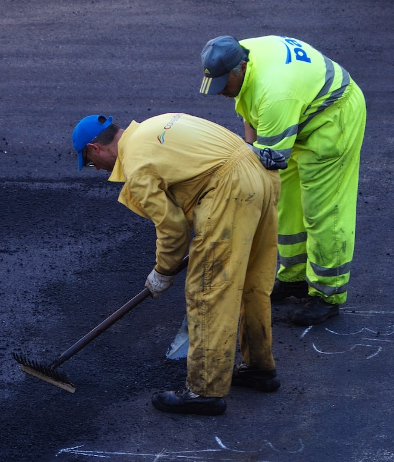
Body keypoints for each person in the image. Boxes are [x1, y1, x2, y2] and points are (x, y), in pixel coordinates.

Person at [72, 113, 282, 415]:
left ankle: (205, 390)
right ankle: (260, 368)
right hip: (259, 177)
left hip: (229, 190)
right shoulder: (154, 126)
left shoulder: (136, 163)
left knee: (208, 290)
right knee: (252, 283)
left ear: (95, 148)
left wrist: (162, 271)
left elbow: (172, 228)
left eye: (92, 163)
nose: (99, 170)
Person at [199, 35, 367, 325]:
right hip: (297, 114)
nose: (219, 92)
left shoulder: (274, 92)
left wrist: (242, 200)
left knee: (323, 210)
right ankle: (294, 279)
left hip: (332, 117)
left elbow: (269, 163)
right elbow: (250, 114)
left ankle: (327, 295)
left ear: (240, 68)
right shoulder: (238, 56)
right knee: (286, 203)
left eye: (223, 84)